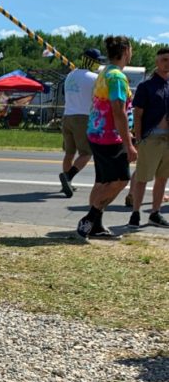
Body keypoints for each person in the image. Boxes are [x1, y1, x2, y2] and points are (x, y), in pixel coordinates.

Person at [76, 36, 137, 240]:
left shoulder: (105, 72)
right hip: (110, 137)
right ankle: (89, 219)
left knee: (102, 181)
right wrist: (129, 144)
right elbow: (118, 112)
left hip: (96, 133)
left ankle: (95, 225)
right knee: (121, 179)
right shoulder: (117, 78)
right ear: (126, 51)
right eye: (131, 49)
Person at [127, 47, 169, 230]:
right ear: (157, 63)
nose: (167, 63)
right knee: (143, 177)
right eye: (164, 59)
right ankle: (135, 213)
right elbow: (137, 114)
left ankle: (155, 213)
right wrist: (138, 138)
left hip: (167, 140)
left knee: (162, 178)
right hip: (150, 138)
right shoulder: (146, 86)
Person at [59, 47, 104, 197]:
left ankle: (66, 184)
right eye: (98, 61)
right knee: (86, 153)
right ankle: (68, 177)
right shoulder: (93, 78)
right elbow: (99, 98)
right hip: (83, 117)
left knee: (69, 153)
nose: (98, 64)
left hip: (67, 116)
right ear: (92, 61)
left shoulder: (70, 76)